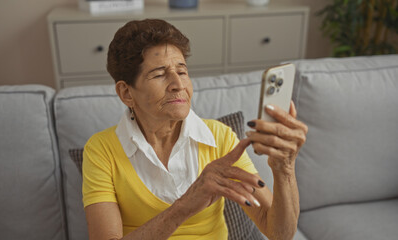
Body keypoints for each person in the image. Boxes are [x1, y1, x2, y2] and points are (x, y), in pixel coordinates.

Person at [82, 19, 308, 240]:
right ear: (126, 93)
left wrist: (284, 168)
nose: (178, 84)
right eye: (160, 74)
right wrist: (185, 205)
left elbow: (279, 233)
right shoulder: (101, 150)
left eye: (181, 72)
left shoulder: (220, 138)